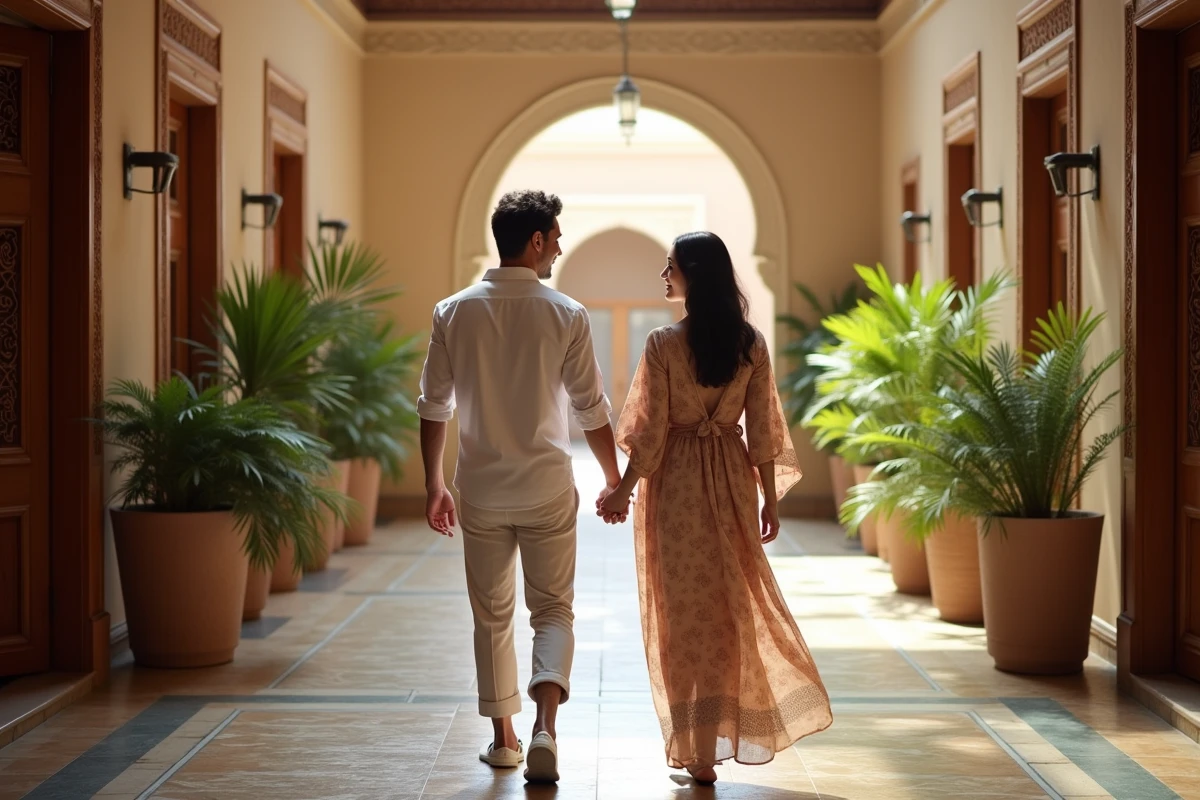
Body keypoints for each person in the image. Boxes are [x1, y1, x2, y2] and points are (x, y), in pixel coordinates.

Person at [599, 231, 833, 784]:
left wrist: (623, 489)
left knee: (681, 615)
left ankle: (698, 752)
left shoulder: (662, 344)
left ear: (692, 275)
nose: (664, 276)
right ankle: (714, 745)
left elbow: (651, 436)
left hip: (677, 484)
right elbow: (764, 431)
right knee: (729, 611)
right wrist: (769, 500)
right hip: (731, 478)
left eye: (671, 266)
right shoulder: (750, 344)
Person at [417, 190, 626, 784]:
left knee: (492, 617)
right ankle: (545, 729)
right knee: (554, 610)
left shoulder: (452, 311)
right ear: (535, 241)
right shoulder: (567, 313)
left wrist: (433, 484)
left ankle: (504, 741)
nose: (558, 246)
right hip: (546, 488)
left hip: (480, 488)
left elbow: (434, 405)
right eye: (555, 237)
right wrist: (614, 480)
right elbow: (592, 409)